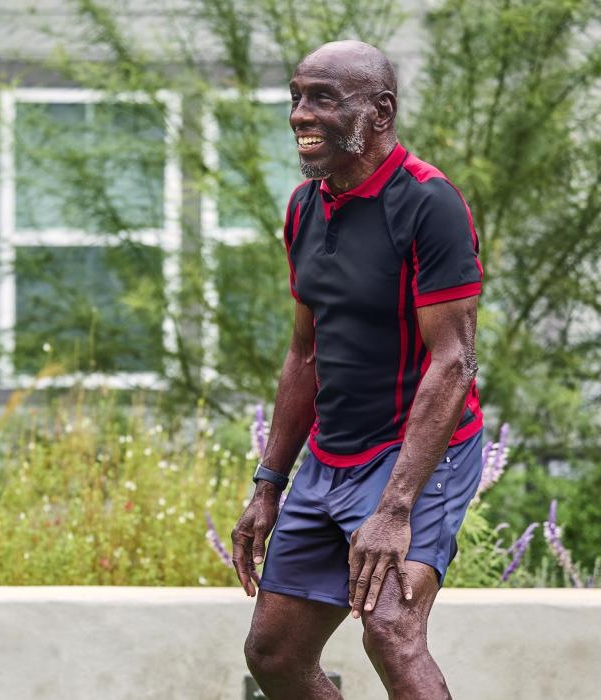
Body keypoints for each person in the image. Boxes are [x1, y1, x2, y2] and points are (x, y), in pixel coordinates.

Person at [230, 40, 484, 699]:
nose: (299, 115)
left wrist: (395, 507)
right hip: (330, 457)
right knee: (275, 653)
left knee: (391, 629)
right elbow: (304, 354)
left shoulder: (430, 203)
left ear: (379, 111)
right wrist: (268, 484)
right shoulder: (304, 208)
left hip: (419, 453)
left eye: (321, 99)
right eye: (295, 97)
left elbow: (454, 365)